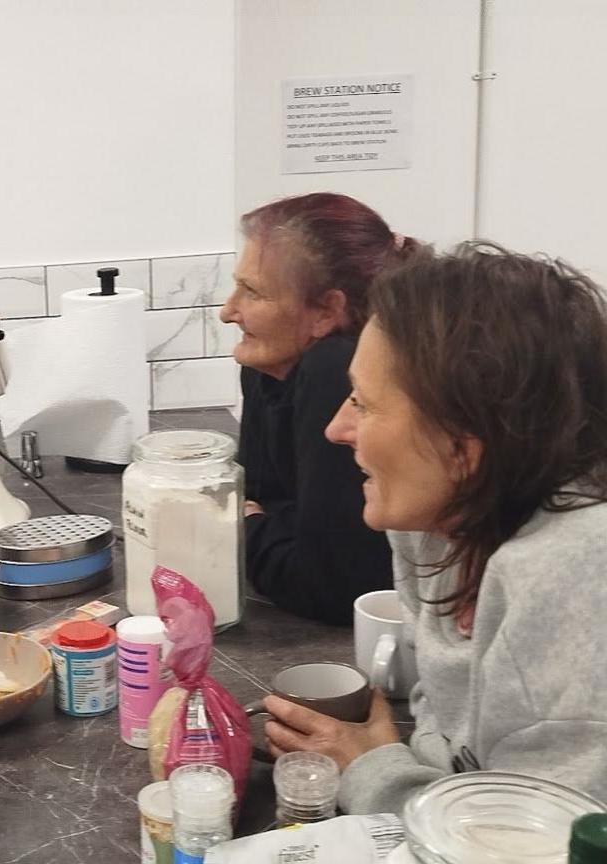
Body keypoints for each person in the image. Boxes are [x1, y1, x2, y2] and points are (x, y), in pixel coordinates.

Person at [263, 243, 607, 813]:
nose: (336, 428)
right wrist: (400, 758)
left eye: (364, 404)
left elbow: (531, 841)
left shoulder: (570, 580)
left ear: (462, 449)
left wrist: (374, 770)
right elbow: (450, 726)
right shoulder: (440, 522)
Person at [220, 193, 412, 624]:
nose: (228, 311)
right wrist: (267, 525)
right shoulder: (269, 362)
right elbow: (257, 496)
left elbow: (329, 588)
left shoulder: (334, 370)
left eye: (252, 292)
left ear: (327, 311)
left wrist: (250, 528)